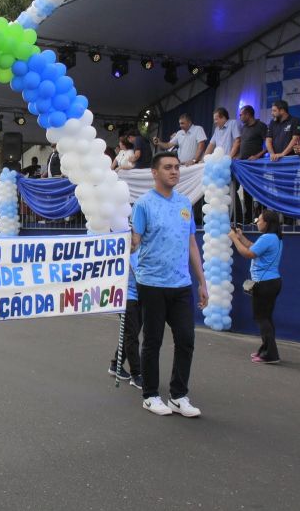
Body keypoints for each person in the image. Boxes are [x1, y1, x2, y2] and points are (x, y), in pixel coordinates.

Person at [131, 151, 208, 417]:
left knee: (186, 339)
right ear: (155, 172)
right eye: (167, 167)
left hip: (181, 284)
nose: (174, 171)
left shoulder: (185, 203)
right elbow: (135, 241)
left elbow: (191, 244)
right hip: (151, 283)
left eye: (176, 167)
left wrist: (202, 281)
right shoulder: (143, 205)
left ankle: (178, 395)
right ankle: (151, 395)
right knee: (153, 341)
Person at [228, 210, 283, 364]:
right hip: (273, 282)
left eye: (259, 220)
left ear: (267, 222)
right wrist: (240, 237)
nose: (257, 222)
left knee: (261, 318)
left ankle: (270, 354)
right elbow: (253, 247)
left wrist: (234, 239)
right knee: (266, 318)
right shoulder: (275, 238)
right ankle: (267, 350)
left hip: (264, 284)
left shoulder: (267, 237)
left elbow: (248, 253)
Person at [107, 247, 143, 389]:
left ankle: (116, 364)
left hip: (142, 293)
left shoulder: (143, 246)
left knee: (130, 333)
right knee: (131, 334)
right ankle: (136, 374)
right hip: (125, 295)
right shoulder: (119, 246)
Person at [236, 105, 268, 224]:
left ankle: (263, 218)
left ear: (248, 114)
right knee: (247, 192)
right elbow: (242, 146)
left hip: (257, 165)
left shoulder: (261, 126)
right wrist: (238, 157)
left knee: (259, 191)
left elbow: (268, 146)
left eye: (241, 114)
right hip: (244, 166)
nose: (240, 117)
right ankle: (248, 219)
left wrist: (257, 156)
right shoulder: (243, 128)